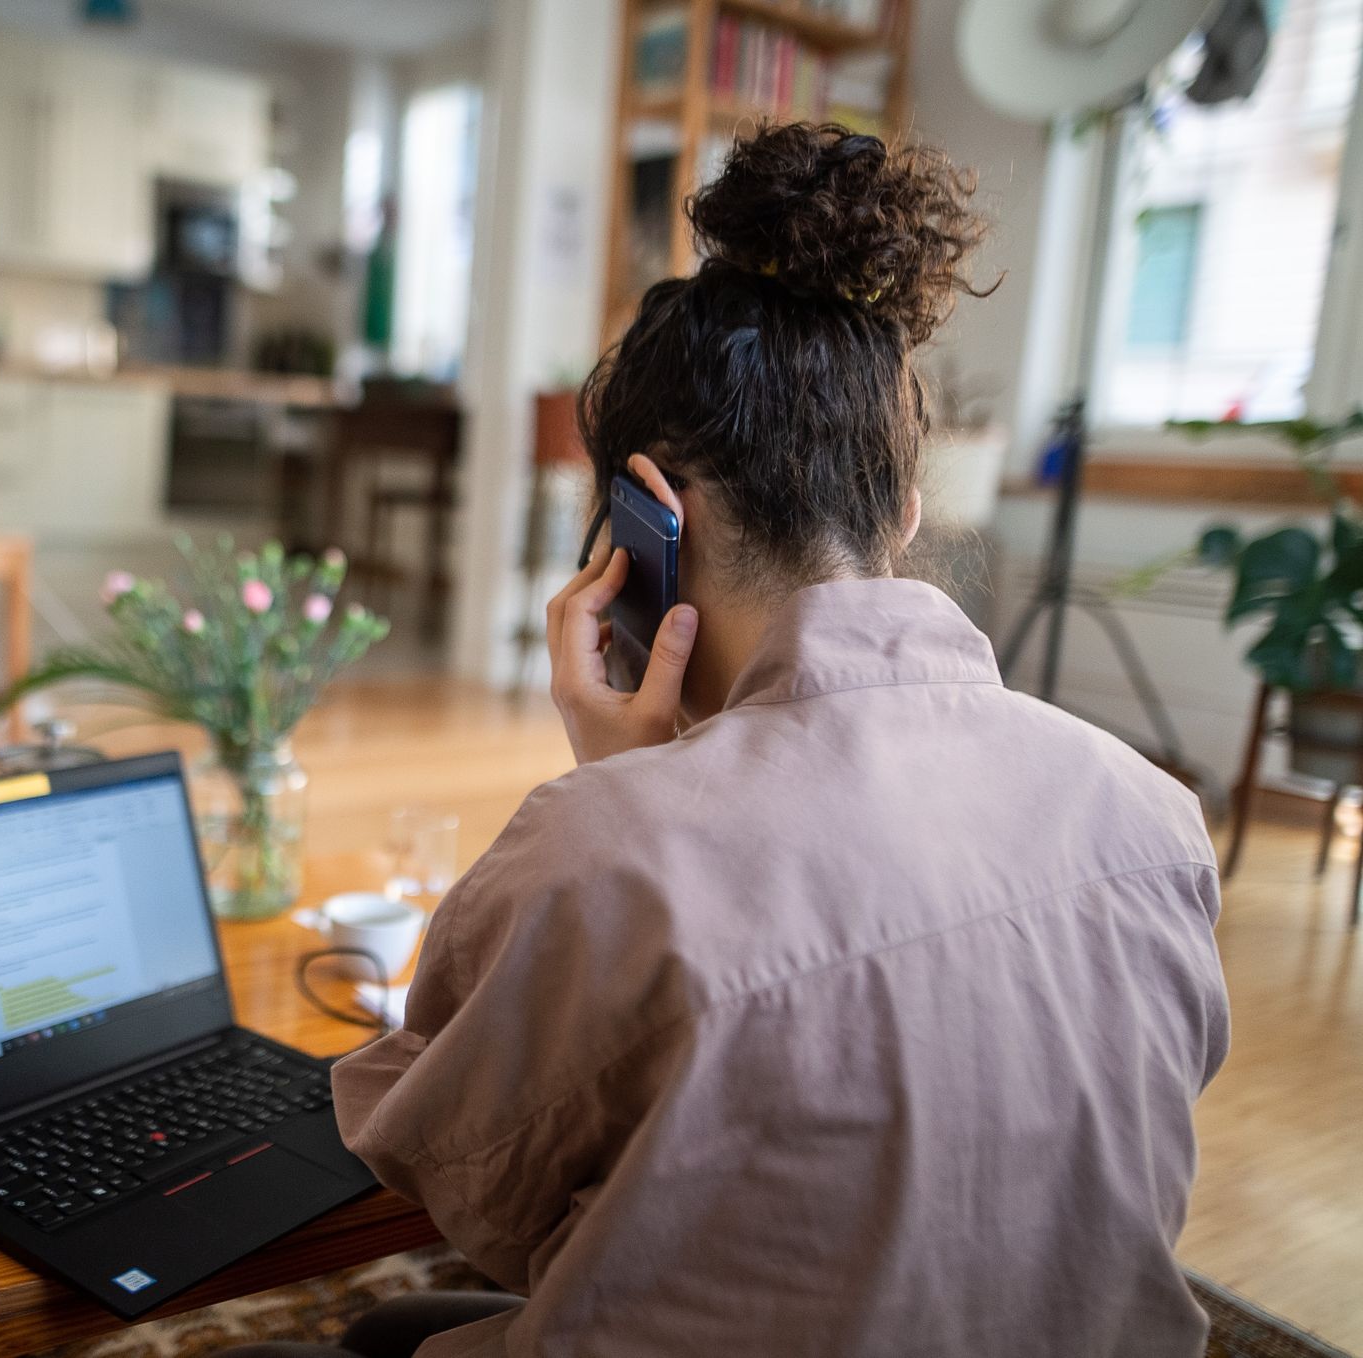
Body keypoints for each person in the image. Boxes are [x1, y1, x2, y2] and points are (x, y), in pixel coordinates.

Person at [217, 122, 1229, 1358]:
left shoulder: (603, 850)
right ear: (903, 508)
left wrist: (630, 788)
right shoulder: (1150, 812)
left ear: (643, 511)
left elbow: (457, 1179)